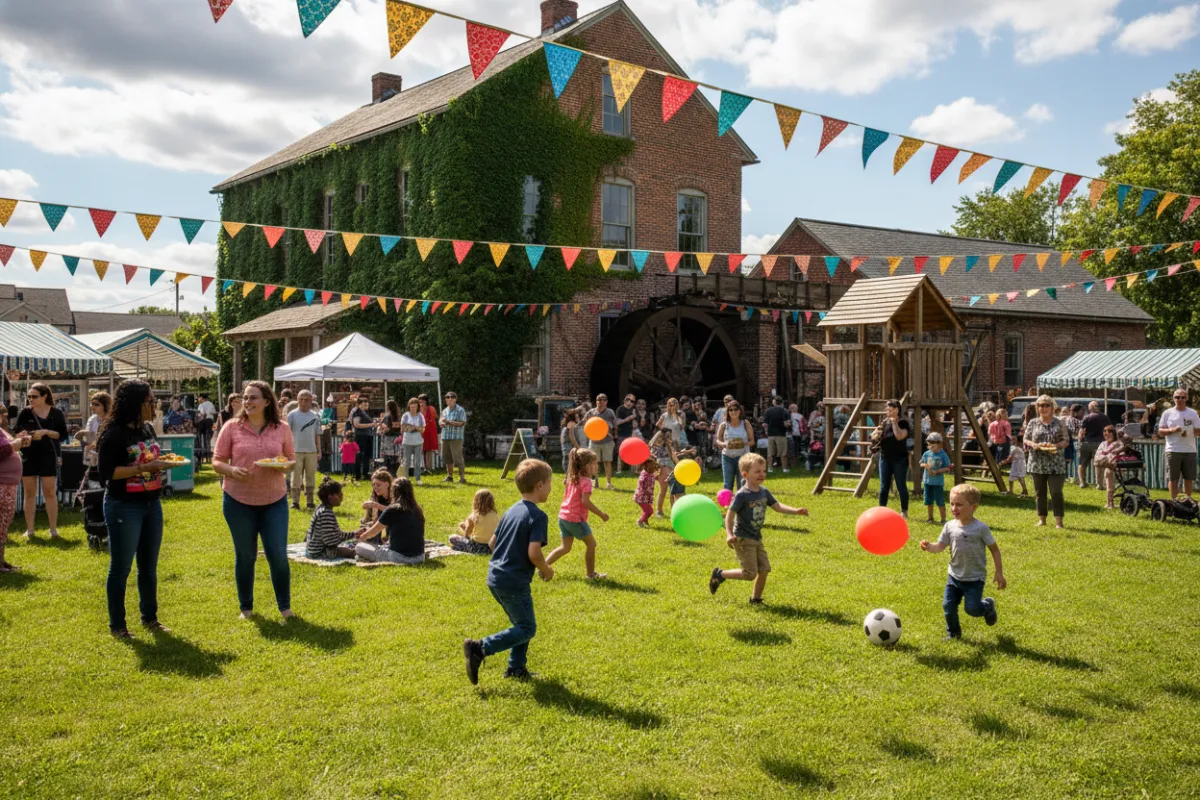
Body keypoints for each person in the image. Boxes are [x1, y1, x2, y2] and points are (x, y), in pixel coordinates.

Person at [463, 459, 554, 684]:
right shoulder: (538, 516)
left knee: (521, 623)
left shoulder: (513, 509)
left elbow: (493, 544)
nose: (552, 488)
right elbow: (534, 553)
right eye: (551, 483)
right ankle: (480, 648)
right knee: (526, 627)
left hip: (495, 576)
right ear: (540, 485)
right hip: (513, 581)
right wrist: (546, 569)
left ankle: (516, 668)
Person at [212, 380, 296, 621]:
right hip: (238, 501)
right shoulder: (231, 427)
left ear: (267, 401)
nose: (247, 402)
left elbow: (290, 460)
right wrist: (231, 471)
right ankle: (246, 608)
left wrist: (283, 465)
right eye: (245, 397)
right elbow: (217, 460)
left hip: (274, 500)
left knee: (278, 554)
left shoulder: (281, 428)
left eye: (253, 398)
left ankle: (285, 607)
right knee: (246, 555)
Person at [98, 380, 172, 638]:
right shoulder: (114, 434)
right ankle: (118, 626)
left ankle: (150, 618)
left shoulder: (148, 429)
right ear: (135, 404)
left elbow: (150, 459)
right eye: (150, 401)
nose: (154, 405)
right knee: (121, 568)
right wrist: (143, 469)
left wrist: (160, 465)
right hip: (123, 506)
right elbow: (107, 473)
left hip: (152, 504)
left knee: (149, 567)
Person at [708, 453, 808, 603]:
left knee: (764, 569)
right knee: (750, 573)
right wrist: (729, 534)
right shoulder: (742, 495)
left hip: (756, 536)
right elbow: (729, 515)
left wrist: (796, 511)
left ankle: (755, 599)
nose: (762, 474)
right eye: (757, 471)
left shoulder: (763, 491)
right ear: (745, 474)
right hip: (742, 538)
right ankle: (720, 574)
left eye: (764, 471)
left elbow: (777, 506)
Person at [920, 484, 1006, 640]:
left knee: (972, 609)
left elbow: (994, 549)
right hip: (954, 576)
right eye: (952, 503)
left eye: (959, 504)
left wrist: (999, 572)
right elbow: (939, 547)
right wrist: (928, 546)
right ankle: (953, 633)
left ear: (974, 507)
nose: (954, 508)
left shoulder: (980, 528)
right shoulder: (949, 526)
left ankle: (987, 606)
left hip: (974, 578)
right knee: (948, 606)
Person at [546, 447, 609, 579]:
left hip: (563, 518)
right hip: (576, 519)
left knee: (565, 547)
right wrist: (601, 514)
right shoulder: (586, 482)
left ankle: (543, 566)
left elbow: (570, 470)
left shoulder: (572, 477)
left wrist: (571, 460)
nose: (597, 466)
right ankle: (591, 574)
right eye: (594, 463)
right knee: (592, 544)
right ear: (586, 466)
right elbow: (585, 502)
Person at [17, 383, 67, 540]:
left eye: (34, 396)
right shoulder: (25, 412)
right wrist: (26, 435)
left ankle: (53, 529)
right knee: (29, 492)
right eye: (29, 396)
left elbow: (63, 435)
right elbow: (17, 432)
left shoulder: (56, 413)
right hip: (29, 455)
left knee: (50, 492)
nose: (31, 399)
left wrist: (45, 432)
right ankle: (30, 530)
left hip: (48, 454)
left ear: (44, 396)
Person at [355, 477, 426, 565]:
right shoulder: (418, 509)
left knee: (359, 547)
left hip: (398, 557)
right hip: (420, 557)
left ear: (394, 491)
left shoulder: (392, 510)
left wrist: (361, 538)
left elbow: (373, 532)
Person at [1024, 395, 1069, 529]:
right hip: (1037, 463)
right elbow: (1026, 439)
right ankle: (1042, 519)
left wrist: (1055, 446)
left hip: (1056, 463)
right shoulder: (1033, 422)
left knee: (1056, 492)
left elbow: (1066, 440)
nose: (1043, 408)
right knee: (1040, 493)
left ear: (1052, 407)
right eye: (1040, 406)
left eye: (1046, 405)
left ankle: (1059, 522)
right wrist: (1034, 445)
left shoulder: (1059, 422)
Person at [1157, 389, 1200, 500]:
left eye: (1182, 397)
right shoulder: (1167, 413)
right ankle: (1174, 502)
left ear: (1186, 398)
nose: (1179, 399)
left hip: (1189, 449)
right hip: (1173, 449)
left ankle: (1187, 501)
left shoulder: (1193, 413)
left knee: (1189, 478)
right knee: (1173, 478)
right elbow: (1160, 432)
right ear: (1173, 398)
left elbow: (1198, 431)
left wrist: (1191, 431)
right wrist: (1173, 430)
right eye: (1177, 397)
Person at [0, 409, 29, 571]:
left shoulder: (1, 430)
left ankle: (1, 561)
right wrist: (13, 446)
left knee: (3, 525)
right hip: (2, 484)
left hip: (7, 485)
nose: (5, 414)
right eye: (1, 412)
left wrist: (18, 440)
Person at [304, 477, 357, 560]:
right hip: (318, 552)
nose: (342, 496)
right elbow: (331, 541)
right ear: (330, 497)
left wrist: (354, 534)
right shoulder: (326, 513)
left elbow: (334, 535)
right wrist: (353, 536)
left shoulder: (321, 508)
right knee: (353, 551)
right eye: (339, 494)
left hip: (312, 550)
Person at [875, 400, 912, 519]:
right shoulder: (885, 422)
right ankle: (882, 511)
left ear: (897, 410)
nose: (888, 412)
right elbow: (874, 435)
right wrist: (876, 433)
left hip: (899, 459)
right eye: (887, 410)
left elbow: (899, 436)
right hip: (884, 458)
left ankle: (904, 511)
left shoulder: (903, 422)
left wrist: (894, 423)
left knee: (901, 485)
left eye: (891, 410)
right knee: (883, 487)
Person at [287, 390, 322, 511]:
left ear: (311, 401)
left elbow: (317, 434)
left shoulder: (315, 416)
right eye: (300, 399)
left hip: (311, 450)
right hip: (295, 450)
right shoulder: (291, 415)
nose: (303, 402)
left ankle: (310, 501)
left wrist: (319, 450)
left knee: (310, 476)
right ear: (297, 400)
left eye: (306, 400)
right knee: (296, 476)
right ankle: (295, 501)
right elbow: (286, 434)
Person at [715, 400, 751, 492]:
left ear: (740, 411)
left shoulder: (745, 423)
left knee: (742, 483)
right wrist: (724, 444)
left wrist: (742, 444)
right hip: (727, 457)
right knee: (727, 484)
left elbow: (752, 441)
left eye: (736, 409)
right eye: (730, 410)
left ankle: (741, 504)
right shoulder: (724, 425)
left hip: (742, 457)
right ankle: (728, 504)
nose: (733, 412)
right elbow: (718, 440)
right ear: (728, 412)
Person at [449, 488, 499, 555]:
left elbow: (467, 535)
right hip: (492, 547)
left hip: (476, 547)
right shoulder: (495, 515)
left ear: (476, 501)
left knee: (452, 538)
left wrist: (464, 528)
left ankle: (461, 548)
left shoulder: (474, 516)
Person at [585, 394, 617, 490]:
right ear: (596, 401)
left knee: (607, 461)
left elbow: (615, 425)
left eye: (603, 400)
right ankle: (595, 482)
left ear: (606, 402)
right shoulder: (591, 412)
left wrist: (614, 435)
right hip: (594, 441)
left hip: (607, 441)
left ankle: (608, 483)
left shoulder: (610, 412)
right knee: (594, 462)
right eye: (598, 400)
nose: (600, 402)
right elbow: (585, 424)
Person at [921, 433, 953, 524]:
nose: (930, 446)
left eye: (933, 444)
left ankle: (943, 519)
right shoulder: (927, 454)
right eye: (929, 444)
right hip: (927, 481)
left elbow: (949, 467)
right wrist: (926, 466)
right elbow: (922, 462)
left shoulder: (943, 455)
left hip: (938, 483)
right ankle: (930, 518)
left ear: (939, 444)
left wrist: (938, 471)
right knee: (928, 501)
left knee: (940, 501)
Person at [1078, 401, 1111, 489]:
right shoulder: (1104, 417)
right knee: (1099, 464)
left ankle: (1082, 482)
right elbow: (1110, 430)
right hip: (1100, 443)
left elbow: (1082, 432)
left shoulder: (1086, 418)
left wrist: (1079, 441)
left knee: (1082, 463)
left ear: (1090, 408)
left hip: (1087, 442)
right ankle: (1099, 484)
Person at [1093, 426, 1126, 510]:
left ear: (1114, 434)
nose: (1106, 434)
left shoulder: (1119, 443)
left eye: (1109, 432)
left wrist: (1108, 456)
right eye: (1105, 432)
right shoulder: (1103, 444)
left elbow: (1121, 454)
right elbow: (1098, 456)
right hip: (1107, 466)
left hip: (1117, 467)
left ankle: (1113, 503)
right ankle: (1109, 503)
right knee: (1109, 485)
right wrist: (1108, 456)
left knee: (1115, 486)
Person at [439, 391, 468, 484]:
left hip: (456, 438)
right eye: (447, 397)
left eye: (452, 397)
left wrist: (448, 422)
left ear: (455, 399)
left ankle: (462, 478)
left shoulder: (460, 410)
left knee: (458, 458)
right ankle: (450, 476)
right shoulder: (444, 411)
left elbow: (462, 423)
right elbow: (441, 421)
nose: (449, 399)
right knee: (447, 458)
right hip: (445, 437)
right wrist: (441, 423)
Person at [79, 392, 112, 468]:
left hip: (108, 456)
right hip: (94, 456)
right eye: (92, 404)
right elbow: (88, 438)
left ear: (106, 405)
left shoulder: (112, 420)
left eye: (97, 404)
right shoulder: (92, 419)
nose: (93, 407)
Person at [349, 396, 376, 482]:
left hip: (368, 435)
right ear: (359, 405)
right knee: (359, 456)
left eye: (366, 404)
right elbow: (356, 424)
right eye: (363, 404)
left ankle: (365, 473)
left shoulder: (366, 412)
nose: (365, 405)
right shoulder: (357, 412)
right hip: (360, 436)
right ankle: (357, 475)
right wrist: (371, 425)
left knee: (367, 456)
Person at [359, 468, 394, 535]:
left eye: (378, 485)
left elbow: (394, 512)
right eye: (373, 485)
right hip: (377, 526)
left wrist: (376, 505)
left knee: (380, 510)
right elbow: (364, 508)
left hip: (394, 527)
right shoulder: (375, 496)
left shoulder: (395, 495)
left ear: (387, 484)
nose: (375, 487)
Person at [399, 397, 426, 484]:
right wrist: (409, 428)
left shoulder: (420, 416)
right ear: (409, 406)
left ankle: (418, 478)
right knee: (406, 460)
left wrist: (416, 428)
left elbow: (423, 429)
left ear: (417, 406)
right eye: (412, 406)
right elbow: (402, 429)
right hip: (407, 441)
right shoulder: (405, 415)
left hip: (418, 441)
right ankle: (406, 478)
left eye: (415, 406)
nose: (413, 408)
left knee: (417, 461)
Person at [764, 396, 791, 473]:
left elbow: (765, 424)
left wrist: (766, 432)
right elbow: (788, 424)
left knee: (770, 453)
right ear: (782, 402)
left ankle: (769, 468)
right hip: (781, 434)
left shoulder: (768, 411)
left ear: (774, 402)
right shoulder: (785, 411)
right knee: (783, 453)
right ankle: (784, 468)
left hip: (771, 435)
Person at [378, 400, 404, 475]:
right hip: (397, 438)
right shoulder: (399, 416)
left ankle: (388, 473)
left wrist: (382, 428)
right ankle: (395, 472)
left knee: (387, 457)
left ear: (388, 407)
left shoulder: (387, 416)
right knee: (396, 457)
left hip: (388, 438)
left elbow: (387, 428)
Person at [634, 456, 660, 528]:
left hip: (647, 497)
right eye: (652, 464)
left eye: (654, 464)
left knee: (647, 510)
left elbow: (653, 477)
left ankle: (645, 520)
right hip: (641, 497)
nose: (654, 466)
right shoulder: (644, 475)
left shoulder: (651, 472)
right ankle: (639, 521)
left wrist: (656, 477)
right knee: (649, 511)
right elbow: (642, 482)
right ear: (646, 465)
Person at [614, 394, 636, 473]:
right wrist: (627, 419)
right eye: (628, 399)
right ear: (624, 400)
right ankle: (619, 470)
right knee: (621, 452)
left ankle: (633, 471)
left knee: (632, 452)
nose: (630, 402)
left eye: (632, 401)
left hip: (632, 434)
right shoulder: (620, 409)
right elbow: (617, 422)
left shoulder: (634, 410)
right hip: (622, 433)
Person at [419, 394, 439, 472]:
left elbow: (433, 419)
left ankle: (429, 467)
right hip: (421, 432)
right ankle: (424, 467)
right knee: (422, 449)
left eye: (423, 400)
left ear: (426, 401)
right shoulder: (418, 409)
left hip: (429, 431)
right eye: (420, 400)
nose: (421, 402)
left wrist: (424, 409)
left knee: (429, 450)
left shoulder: (431, 408)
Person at [559, 409, 580, 475]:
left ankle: (567, 479)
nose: (578, 417)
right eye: (577, 416)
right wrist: (578, 447)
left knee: (568, 469)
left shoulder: (567, 424)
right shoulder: (572, 424)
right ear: (573, 417)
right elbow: (571, 436)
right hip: (569, 449)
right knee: (570, 468)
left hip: (566, 450)